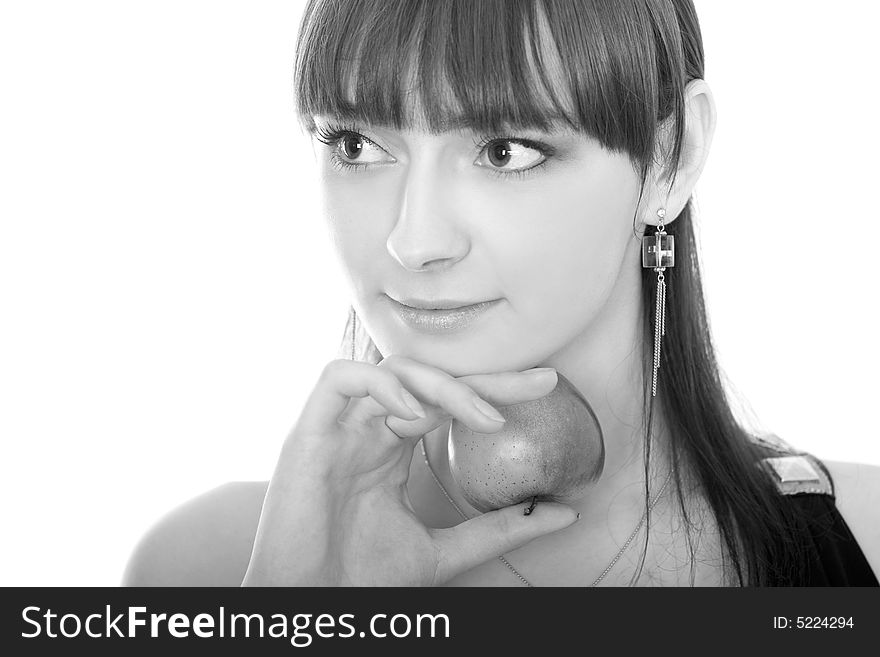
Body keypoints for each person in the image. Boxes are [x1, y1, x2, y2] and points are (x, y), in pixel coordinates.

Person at [122, 0, 880, 587]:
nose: (412, 241)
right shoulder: (208, 567)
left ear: (669, 157)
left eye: (503, 150)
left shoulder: (865, 542)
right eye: (356, 144)